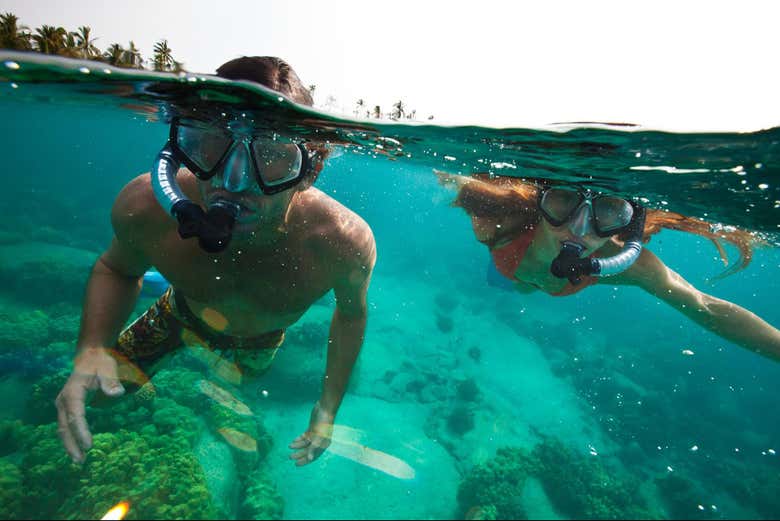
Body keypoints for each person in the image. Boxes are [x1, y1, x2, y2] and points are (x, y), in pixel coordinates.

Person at [55, 56, 377, 466]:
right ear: (181, 148)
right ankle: (165, 284)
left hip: (261, 340)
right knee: (99, 396)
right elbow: (116, 268)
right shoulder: (146, 208)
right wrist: (89, 352)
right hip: (179, 312)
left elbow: (351, 315)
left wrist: (328, 407)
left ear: (309, 169)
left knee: (245, 380)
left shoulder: (341, 242)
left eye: (273, 155)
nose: (234, 182)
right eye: (211, 144)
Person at [437, 171, 780, 360]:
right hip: (511, 270)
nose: (580, 228)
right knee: (520, 285)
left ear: (626, 226)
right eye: (563, 201)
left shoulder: (624, 264)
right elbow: (456, 179)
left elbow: (704, 306)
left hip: (549, 280)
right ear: (542, 202)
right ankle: (520, 284)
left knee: (527, 285)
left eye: (609, 212)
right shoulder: (500, 221)